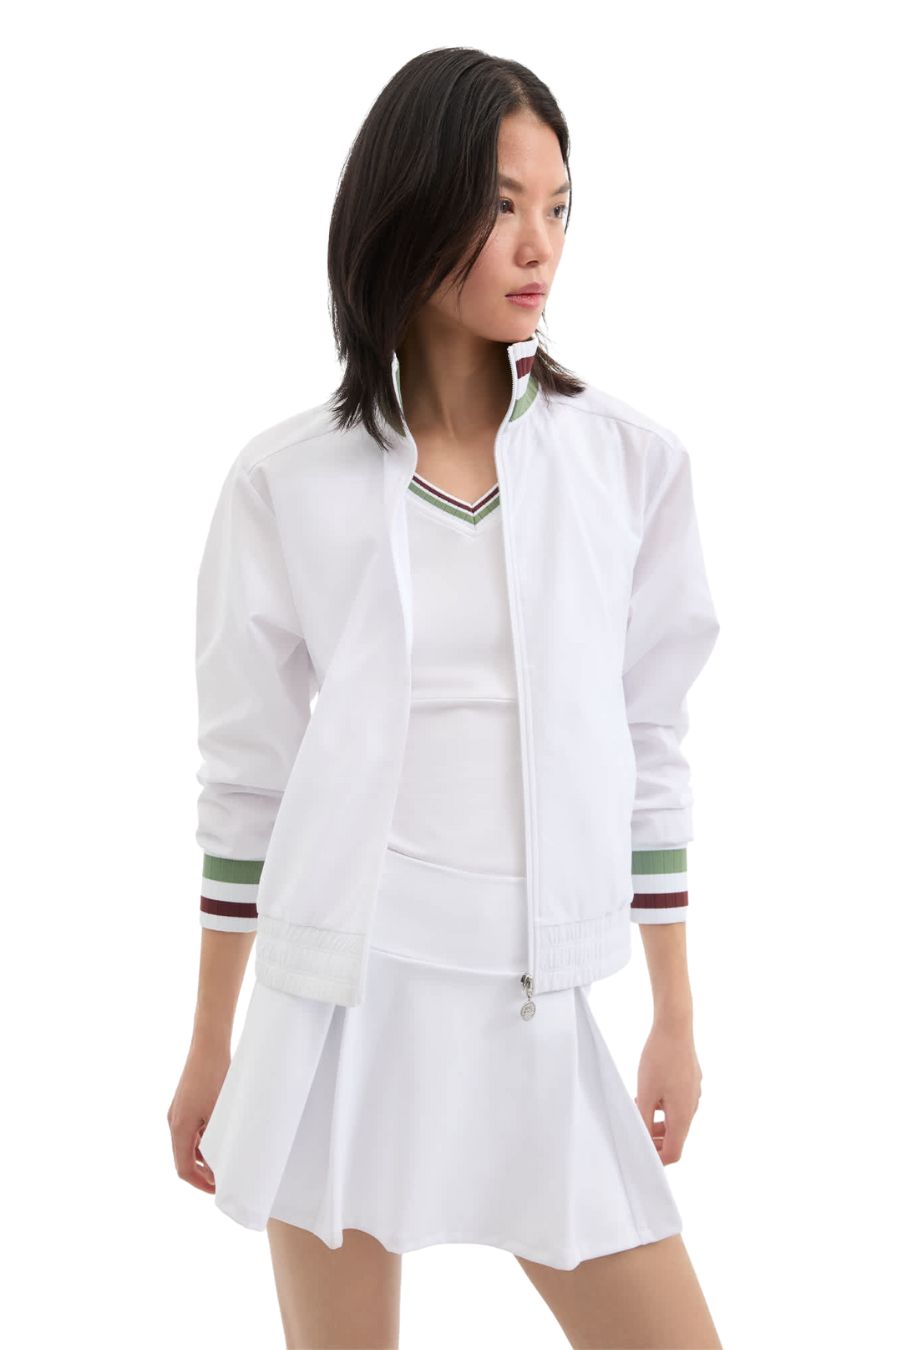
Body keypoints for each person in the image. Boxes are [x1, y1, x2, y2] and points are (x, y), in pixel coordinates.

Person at [168, 47, 723, 1350]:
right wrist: (209, 1040)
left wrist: (675, 1014)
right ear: (411, 207)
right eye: (501, 203)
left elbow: (652, 742)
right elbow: (247, 781)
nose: (540, 244)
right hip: (336, 1002)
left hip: (536, 995)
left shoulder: (628, 465)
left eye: (558, 206)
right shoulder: (285, 482)